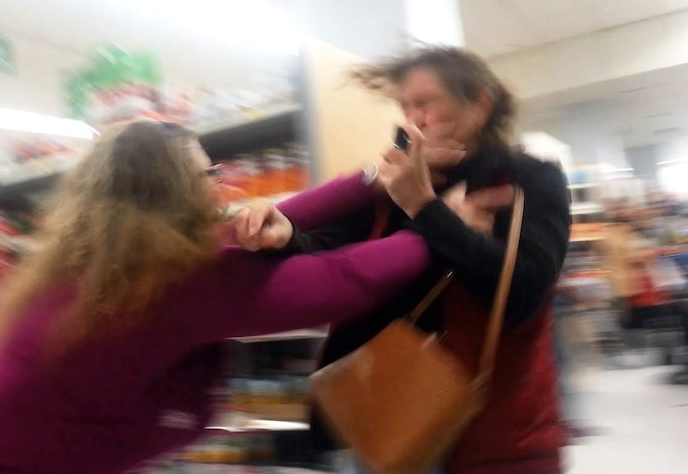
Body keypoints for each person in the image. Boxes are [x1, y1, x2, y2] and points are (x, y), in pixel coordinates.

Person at [0, 121, 431, 474]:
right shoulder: (173, 285)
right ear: (174, 191)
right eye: (209, 174)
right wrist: (439, 225)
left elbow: (266, 220)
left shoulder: (104, 262)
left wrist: (370, 180)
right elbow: (343, 281)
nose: (221, 187)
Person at [236, 46, 571, 474]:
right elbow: (333, 250)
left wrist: (426, 209)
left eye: (425, 103)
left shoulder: (529, 181)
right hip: (389, 415)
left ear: (480, 104)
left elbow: (524, 293)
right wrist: (286, 238)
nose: (413, 119)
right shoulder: (396, 182)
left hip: (493, 427)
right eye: (405, 106)